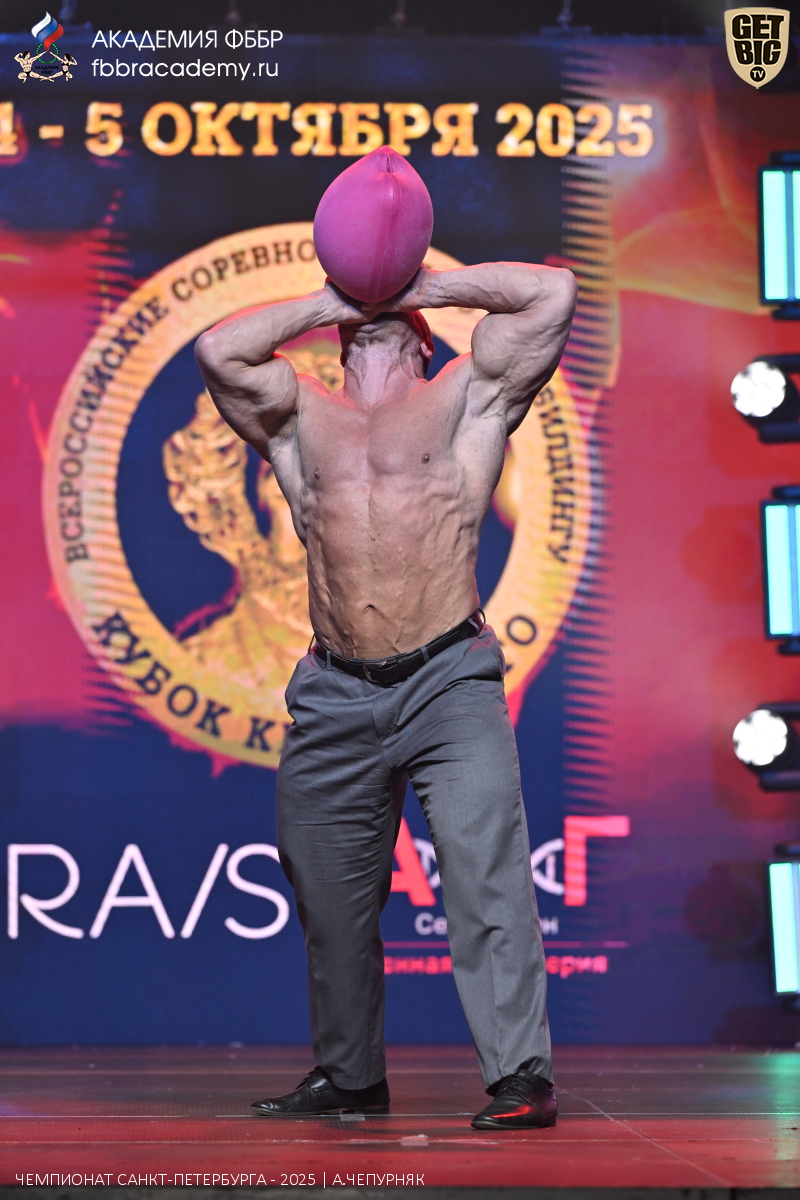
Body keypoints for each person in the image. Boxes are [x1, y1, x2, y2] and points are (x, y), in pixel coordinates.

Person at [195, 258, 577, 1130]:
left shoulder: (467, 397)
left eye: (389, 313)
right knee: (328, 898)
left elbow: (551, 294)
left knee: (486, 881)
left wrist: (418, 285)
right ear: (334, 341)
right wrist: (334, 295)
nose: (372, 317)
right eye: (356, 317)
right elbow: (220, 351)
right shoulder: (298, 418)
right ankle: (350, 1076)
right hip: (334, 690)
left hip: (449, 682)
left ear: (424, 339)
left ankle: (522, 1076)